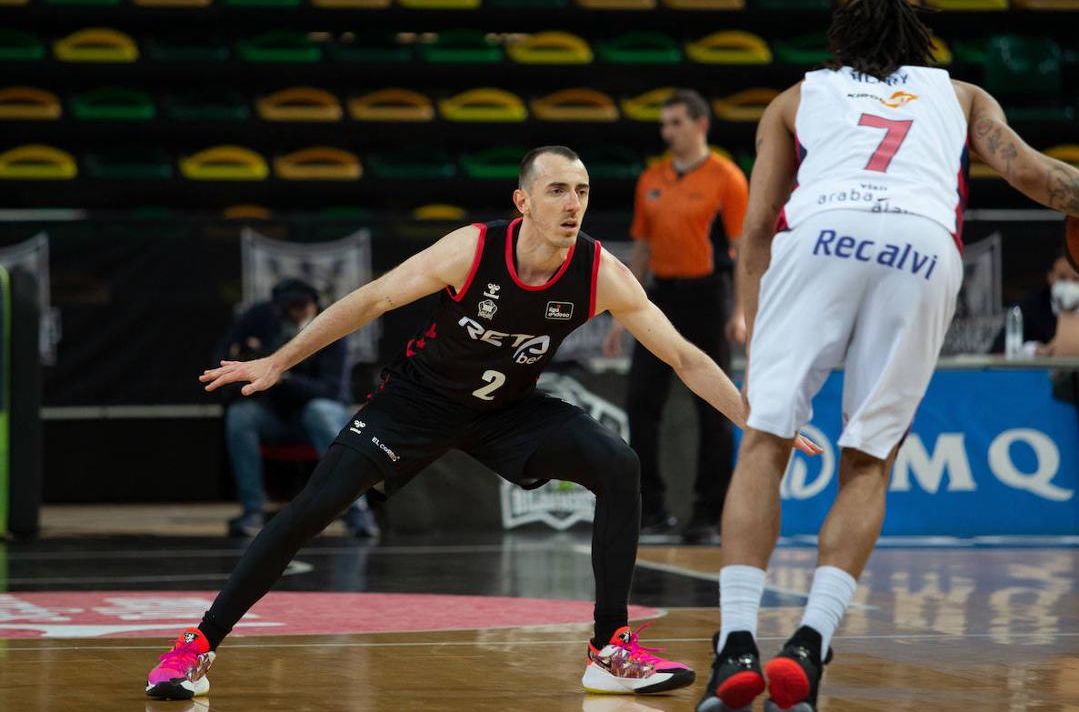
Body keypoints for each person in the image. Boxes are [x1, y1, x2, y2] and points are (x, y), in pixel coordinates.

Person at [143, 146, 818, 702]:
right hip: (416, 403)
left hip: (508, 411)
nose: (572, 202)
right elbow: (372, 299)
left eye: (580, 190)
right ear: (523, 201)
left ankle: (609, 648)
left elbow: (683, 356)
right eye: (556, 189)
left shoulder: (598, 272)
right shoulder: (471, 250)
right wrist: (280, 362)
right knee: (309, 511)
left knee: (618, 461)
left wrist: (761, 421)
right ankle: (194, 650)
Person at [698, 0, 1079, 712]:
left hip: (820, 236)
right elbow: (1032, 174)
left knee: (765, 439)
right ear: (921, 44)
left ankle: (736, 642)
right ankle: (809, 644)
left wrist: (748, 314)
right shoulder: (959, 96)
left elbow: (759, 226)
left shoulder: (796, 99)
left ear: (841, 44)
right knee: (870, 460)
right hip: (921, 247)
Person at [602, 89, 750, 542]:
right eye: (664, 124)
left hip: (708, 297)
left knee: (715, 405)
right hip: (657, 297)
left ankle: (709, 514)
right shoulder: (652, 177)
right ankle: (652, 511)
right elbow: (641, 251)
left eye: (676, 123)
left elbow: (743, 250)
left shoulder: (726, 177)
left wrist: (741, 310)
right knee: (641, 403)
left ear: (700, 124)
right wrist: (617, 315)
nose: (668, 132)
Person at [218, 278, 378, 538]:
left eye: (304, 305)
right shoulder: (261, 321)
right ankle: (252, 509)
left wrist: (283, 376)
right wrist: (247, 363)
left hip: (322, 417)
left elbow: (332, 390)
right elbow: (225, 354)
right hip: (279, 416)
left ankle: (356, 509)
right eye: (293, 306)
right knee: (240, 416)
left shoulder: (331, 326)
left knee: (319, 411)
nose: (300, 311)